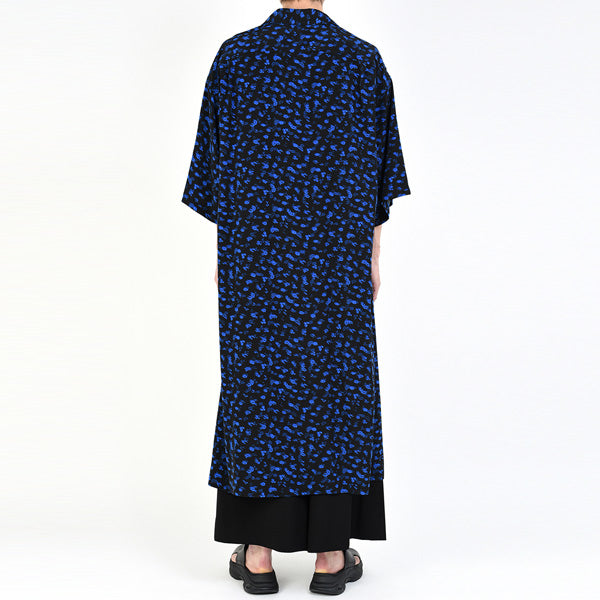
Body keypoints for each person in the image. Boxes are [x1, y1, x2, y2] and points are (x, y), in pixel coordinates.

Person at [181, 0, 411, 594]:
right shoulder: (362, 62)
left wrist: (231, 256)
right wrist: (371, 257)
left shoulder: (235, 59)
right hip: (336, 261)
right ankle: (331, 556)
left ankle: (258, 555)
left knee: (261, 386)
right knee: (336, 387)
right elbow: (379, 182)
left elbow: (214, 179)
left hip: (256, 262)